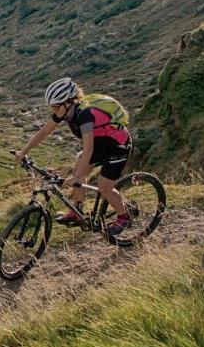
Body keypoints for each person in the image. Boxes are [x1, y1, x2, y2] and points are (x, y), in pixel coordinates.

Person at [15, 78, 134, 238]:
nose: (54, 110)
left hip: (117, 145)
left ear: (69, 102)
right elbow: (44, 131)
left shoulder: (84, 115)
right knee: (78, 171)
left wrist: (76, 177)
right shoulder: (64, 112)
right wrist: (24, 151)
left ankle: (124, 216)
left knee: (103, 186)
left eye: (56, 106)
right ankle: (77, 211)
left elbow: (88, 148)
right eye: (52, 107)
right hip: (100, 144)